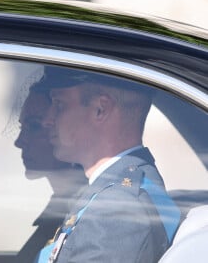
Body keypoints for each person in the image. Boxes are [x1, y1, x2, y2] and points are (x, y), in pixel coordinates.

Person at [34, 67, 181, 263]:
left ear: (100, 109)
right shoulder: (110, 193)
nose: (47, 120)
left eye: (59, 104)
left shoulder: (117, 210)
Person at [13, 79, 87, 263]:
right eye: (23, 127)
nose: (19, 141)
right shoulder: (62, 206)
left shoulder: (86, 212)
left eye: (34, 126)